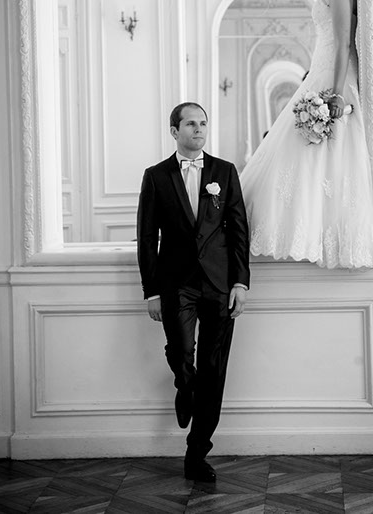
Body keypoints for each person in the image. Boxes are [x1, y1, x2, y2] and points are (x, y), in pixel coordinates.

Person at [240, 0, 373, 269]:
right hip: (319, 72)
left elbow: (343, 43)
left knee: (321, 152)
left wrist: (335, 93)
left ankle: (315, 234)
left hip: (333, 76)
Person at [137, 102, 250, 482]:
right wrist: (151, 291)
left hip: (220, 284)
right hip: (176, 284)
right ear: (174, 131)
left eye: (203, 123)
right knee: (182, 353)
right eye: (190, 124)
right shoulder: (156, 176)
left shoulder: (225, 171)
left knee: (214, 371)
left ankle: (197, 453)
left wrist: (240, 282)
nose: (198, 129)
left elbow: (238, 230)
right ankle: (184, 386)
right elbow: (146, 237)